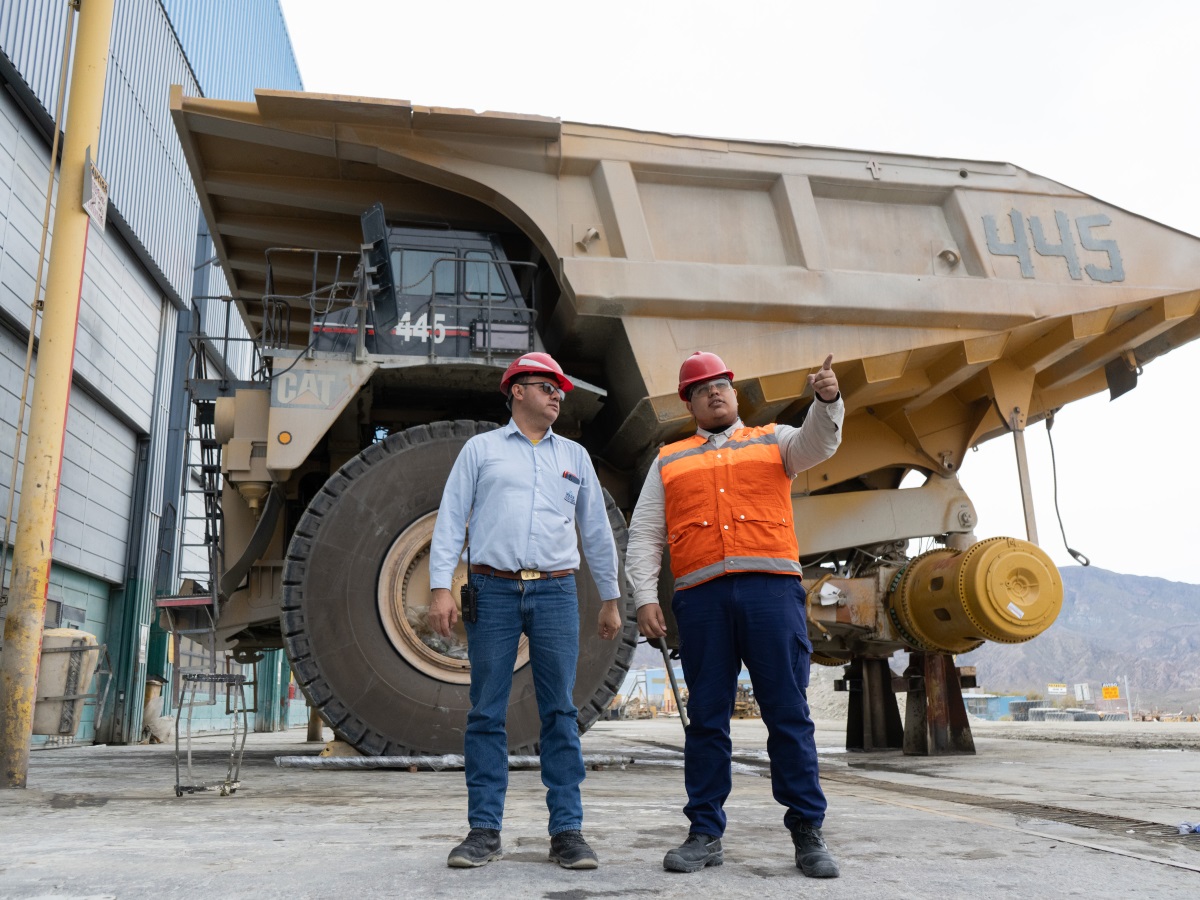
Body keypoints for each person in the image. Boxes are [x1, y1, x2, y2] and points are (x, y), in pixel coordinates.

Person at [625, 350, 843, 878]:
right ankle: (704, 833)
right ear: (690, 404)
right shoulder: (669, 459)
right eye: (702, 389)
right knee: (706, 720)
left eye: (721, 385)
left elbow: (820, 441)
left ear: (735, 393)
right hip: (701, 601)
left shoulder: (775, 440)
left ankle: (807, 832)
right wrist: (644, 598)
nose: (713, 393)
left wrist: (827, 398)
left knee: (788, 713)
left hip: (771, 593)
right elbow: (646, 532)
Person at [428, 351, 623, 871]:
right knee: (486, 710)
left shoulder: (575, 458)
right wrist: (440, 587)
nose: (557, 394)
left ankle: (567, 831)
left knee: (560, 710)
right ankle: (483, 830)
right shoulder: (481, 451)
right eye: (546, 386)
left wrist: (610, 597)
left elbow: (597, 533)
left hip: (557, 591)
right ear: (516, 390)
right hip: (491, 591)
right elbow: (450, 519)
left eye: (560, 388)